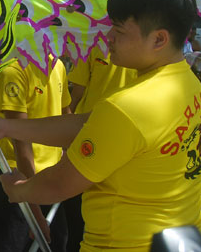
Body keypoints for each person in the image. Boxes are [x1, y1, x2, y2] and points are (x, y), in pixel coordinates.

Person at [0, 0, 201, 251]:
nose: (108, 37)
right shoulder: (187, 81)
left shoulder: (129, 106)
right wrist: (9, 127)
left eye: (119, 31)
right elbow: (90, 124)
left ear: (159, 39)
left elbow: (60, 184)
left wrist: (17, 189)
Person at [0, 58, 70, 252]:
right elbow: (21, 146)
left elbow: (67, 118)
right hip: (15, 180)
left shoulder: (58, 66)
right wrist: (34, 212)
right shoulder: (13, 70)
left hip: (50, 182)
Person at [63, 46, 137, 251]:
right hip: (86, 136)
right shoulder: (91, 46)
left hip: (121, 139)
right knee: (76, 206)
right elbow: (76, 94)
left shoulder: (142, 52)